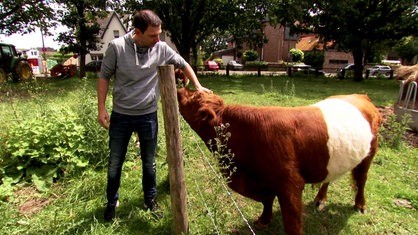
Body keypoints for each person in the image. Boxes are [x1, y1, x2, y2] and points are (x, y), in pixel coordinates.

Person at [97, 9, 211, 221]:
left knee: (149, 162)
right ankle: (111, 202)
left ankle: (150, 200)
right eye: (152, 35)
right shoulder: (117, 48)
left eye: (159, 34)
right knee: (115, 162)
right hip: (121, 115)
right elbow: (104, 77)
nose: (158, 39)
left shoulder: (161, 48)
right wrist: (101, 108)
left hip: (148, 115)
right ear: (137, 32)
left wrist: (198, 85)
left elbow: (183, 64)